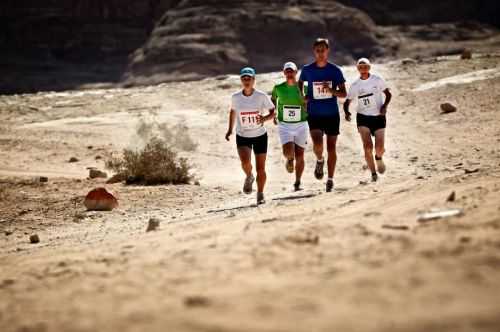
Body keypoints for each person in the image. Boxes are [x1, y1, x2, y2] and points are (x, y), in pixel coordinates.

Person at [299, 38, 347, 192]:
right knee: (318, 145)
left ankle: (330, 179)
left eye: (323, 50)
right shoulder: (307, 69)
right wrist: (303, 96)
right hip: (314, 114)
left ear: (328, 51)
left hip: (332, 114)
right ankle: (320, 160)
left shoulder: (335, 70)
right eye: (317, 50)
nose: (320, 53)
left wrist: (330, 90)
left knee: (331, 148)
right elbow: (300, 84)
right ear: (314, 52)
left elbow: (343, 93)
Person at [225, 67, 275, 204]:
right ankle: (249, 176)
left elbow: (272, 111)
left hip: (260, 135)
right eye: (244, 78)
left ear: (254, 80)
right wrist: (230, 130)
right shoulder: (236, 97)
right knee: (245, 162)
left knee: (261, 168)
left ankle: (260, 194)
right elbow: (233, 112)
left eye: (249, 78)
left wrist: (264, 119)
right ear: (241, 80)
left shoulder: (261, 96)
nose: (246, 80)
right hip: (242, 135)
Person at [343, 58, 392, 182]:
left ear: (369, 67)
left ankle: (378, 157)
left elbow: (388, 94)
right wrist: (347, 112)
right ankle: (373, 174)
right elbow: (347, 101)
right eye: (361, 67)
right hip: (363, 117)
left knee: (380, 148)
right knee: (367, 147)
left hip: (378, 117)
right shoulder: (355, 85)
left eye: (365, 66)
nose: (363, 69)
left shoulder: (377, 80)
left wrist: (384, 106)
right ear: (358, 69)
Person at [271, 62, 309, 191]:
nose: (289, 73)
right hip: (285, 125)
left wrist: (307, 106)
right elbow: (273, 100)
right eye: (287, 71)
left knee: (300, 155)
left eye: (291, 71)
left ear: (296, 72)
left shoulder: (304, 87)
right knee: (288, 152)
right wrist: (274, 111)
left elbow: (310, 100)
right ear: (284, 73)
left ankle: (298, 182)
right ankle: (289, 159)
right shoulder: (278, 88)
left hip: (301, 124)